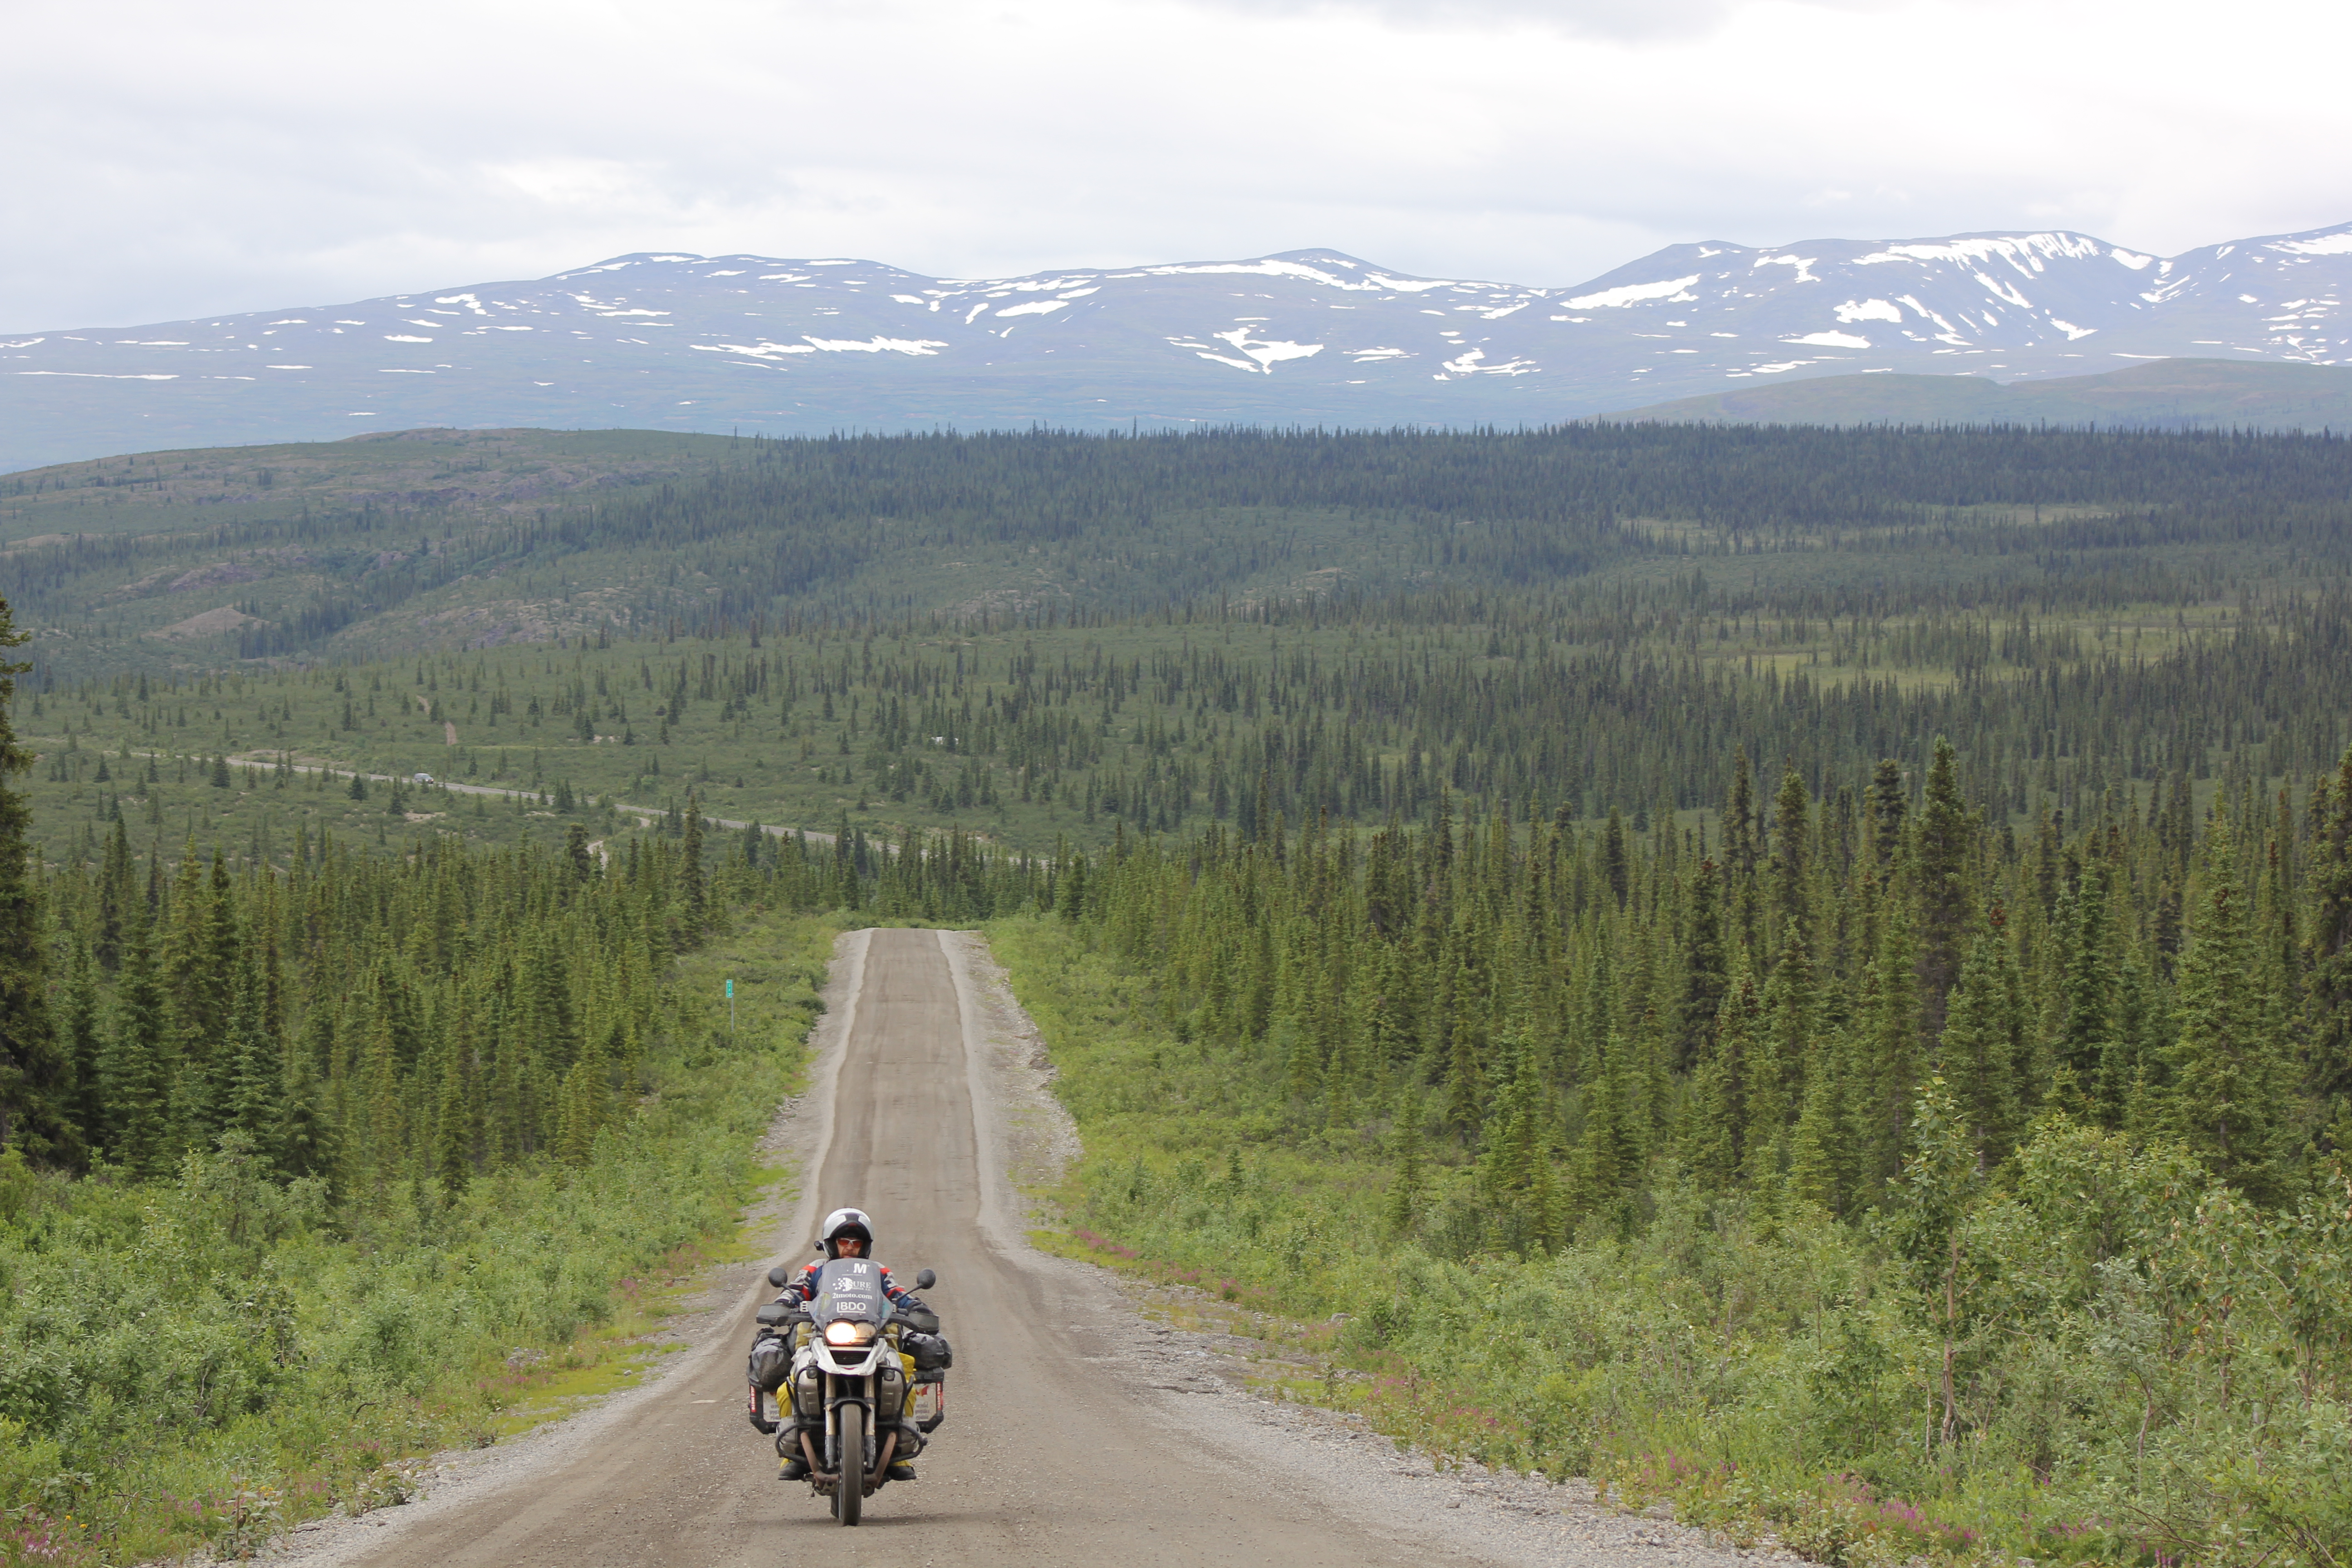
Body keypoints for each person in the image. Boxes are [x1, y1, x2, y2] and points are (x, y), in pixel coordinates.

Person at [769, 1207, 933, 1483]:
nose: (850, 1248)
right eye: (844, 1242)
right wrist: (782, 1305)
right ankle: (793, 1455)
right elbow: (797, 1291)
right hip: (821, 1341)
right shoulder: (815, 1270)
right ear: (831, 1244)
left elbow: (898, 1294)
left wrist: (917, 1307)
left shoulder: (879, 1272)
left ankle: (899, 1455)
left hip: (873, 1341)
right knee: (790, 1386)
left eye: (856, 1243)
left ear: (865, 1247)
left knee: (904, 1380)